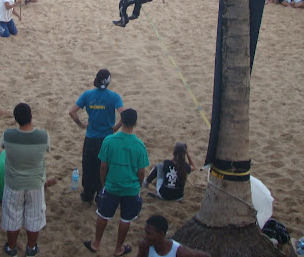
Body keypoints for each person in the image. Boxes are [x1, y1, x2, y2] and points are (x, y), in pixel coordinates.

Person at [83, 109, 148, 256]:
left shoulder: (109, 140)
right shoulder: (139, 145)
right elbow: (141, 172)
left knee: (103, 215)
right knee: (125, 219)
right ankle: (118, 248)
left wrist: (104, 182)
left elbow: (103, 166)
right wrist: (138, 185)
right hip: (131, 187)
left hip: (112, 184)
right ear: (135, 123)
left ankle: (96, 243)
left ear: (121, 120)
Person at [69, 69, 125, 204]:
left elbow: (72, 111)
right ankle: (101, 194)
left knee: (88, 167)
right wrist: (116, 127)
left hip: (91, 137)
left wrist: (81, 124)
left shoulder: (88, 94)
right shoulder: (114, 97)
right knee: (104, 167)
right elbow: (125, 114)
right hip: (106, 138)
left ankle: (88, 194)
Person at [1, 103, 50, 257]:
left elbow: (3, 147)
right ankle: (31, 247)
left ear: (16, 119)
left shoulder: (7, 135)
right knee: (34, 216)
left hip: (13, 183)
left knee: (12, 216)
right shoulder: (43, 136)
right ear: (31, 116)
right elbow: (46, 150)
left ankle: (12, 248)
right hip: (35, 183)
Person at [135, 215, 211, 257]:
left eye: (149, 233)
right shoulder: (144, 246)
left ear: (161, 234)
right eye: (145, 232)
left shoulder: (180, 252)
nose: (145, 236)